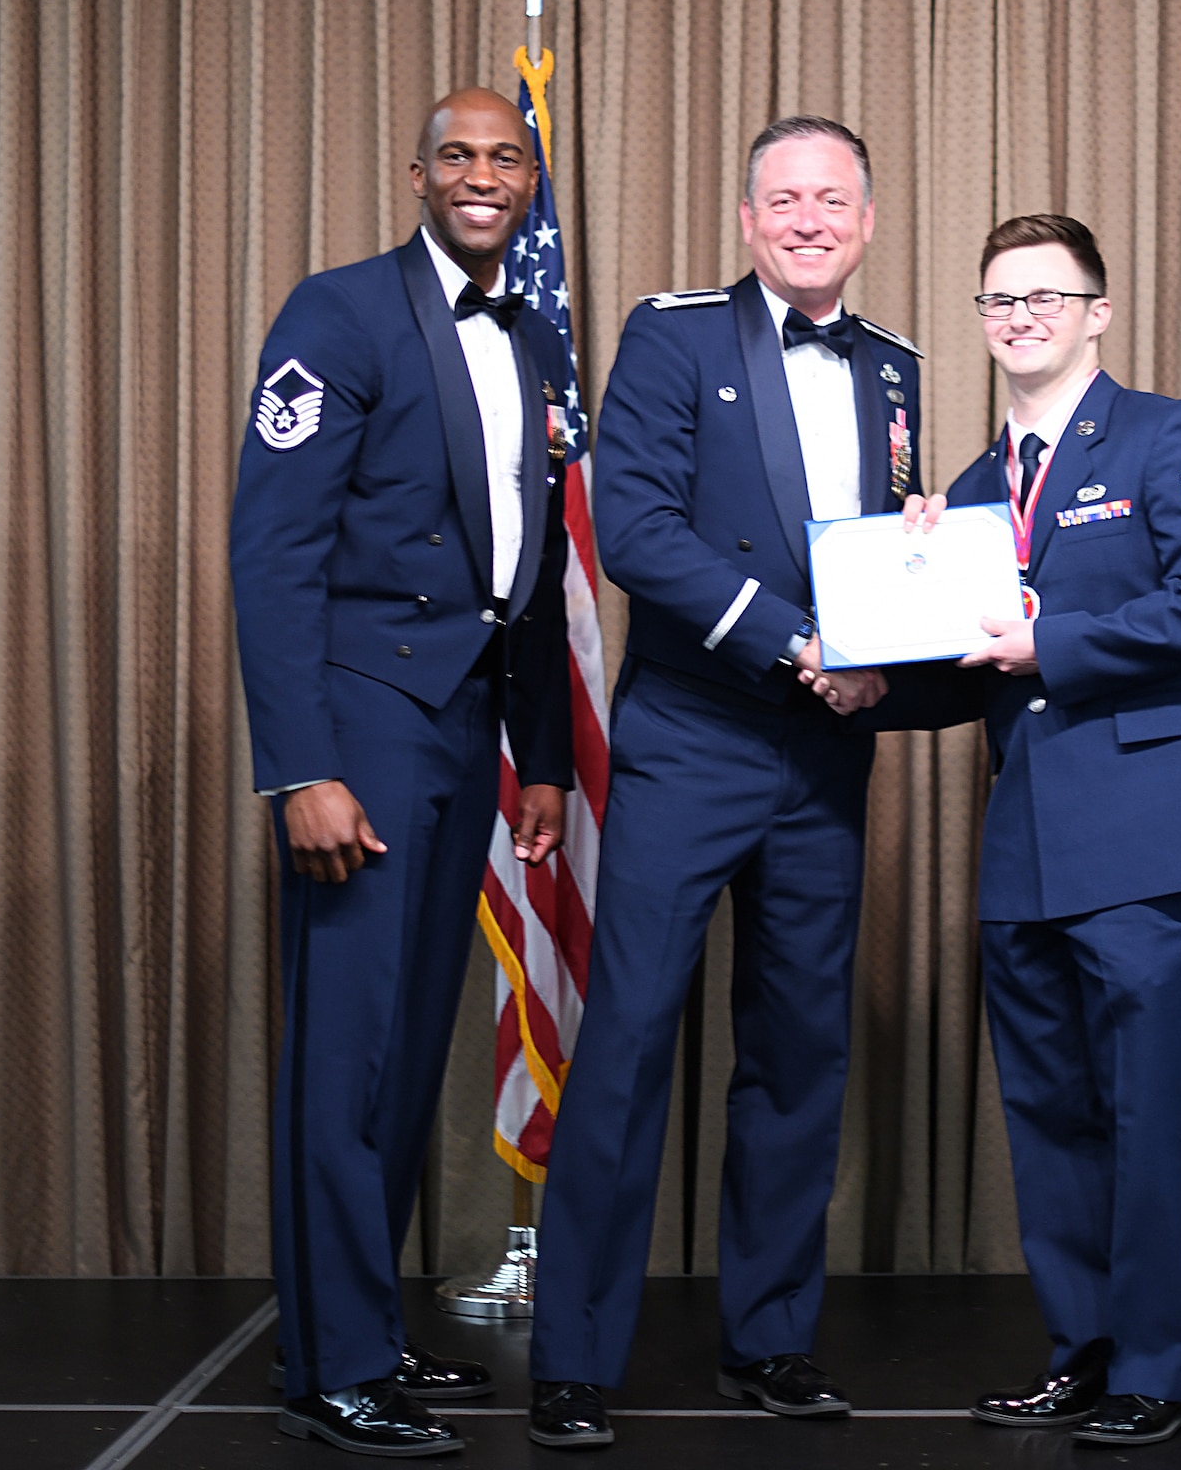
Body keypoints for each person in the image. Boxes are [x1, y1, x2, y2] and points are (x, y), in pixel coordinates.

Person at [526, 116, 922, 1450]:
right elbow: (635, 531)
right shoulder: (673, 335)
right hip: (692, 741)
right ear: (749, 220)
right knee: (630, 1039)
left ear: (866, 220)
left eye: (832, 199)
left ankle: (772, 1338)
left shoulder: (896, 367)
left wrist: (902, 620)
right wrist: (801, 641)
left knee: (800, 1052)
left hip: (824, 753)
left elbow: (885, 552)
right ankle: (573, 1355)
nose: (809, 219)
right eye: (785, 199)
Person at [853, 214, 1181, 1448]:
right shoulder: (970, 492)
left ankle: (1157, 1369)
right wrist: (868, 675)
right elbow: (970, 668)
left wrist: (1057, 641)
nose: (1021, 316)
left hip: (1156, 834)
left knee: (1146, 1113)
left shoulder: (1167, 434)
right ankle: (1082, 1354)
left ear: (1096, 312)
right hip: (1028, 840)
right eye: (1000, 299)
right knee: (1047, 1118)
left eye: (1047, 295)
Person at [229, 88, 574, 1458]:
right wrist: (300, 769)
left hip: (466, 727)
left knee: (409, 1047)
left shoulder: (532, 334)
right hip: (362, 726)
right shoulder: (339, 312)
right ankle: (333, 1368)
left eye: (505, 157)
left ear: (529, 181)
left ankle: (353, 1324)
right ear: (416, 173)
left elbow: (528, 562)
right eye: (457, 155)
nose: (482, 174)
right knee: (348, 1051)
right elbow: (272, 553)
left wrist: (543, 756)